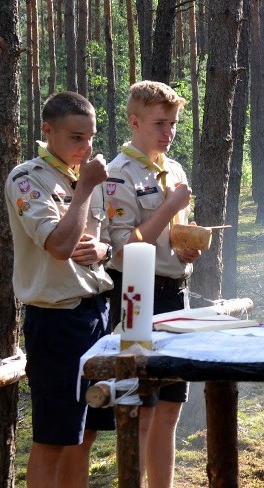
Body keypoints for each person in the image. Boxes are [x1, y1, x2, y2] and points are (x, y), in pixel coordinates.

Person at [4, 91, 115, 487]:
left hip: (97, 314)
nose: (85, 147)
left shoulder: (89, 177)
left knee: (85, 434)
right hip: (55, 320)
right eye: (75, 137)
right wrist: (84, 189)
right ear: (47, 131)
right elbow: (60, 247)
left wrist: (105, 250)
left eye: (90, 137)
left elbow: (106, 244)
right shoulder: (27, 178)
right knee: (53, 439)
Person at [104, 80, 200, 488]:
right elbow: (124, 248)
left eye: (174, 123)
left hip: (177, 290)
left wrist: (188, 245)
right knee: (144, 406)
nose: (169, 132)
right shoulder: (117, 174)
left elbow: (169, 236)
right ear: (135, 121)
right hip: (138, 295)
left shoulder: (172, 169)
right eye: (161, 123)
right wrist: (171, 207)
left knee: (171, 407)